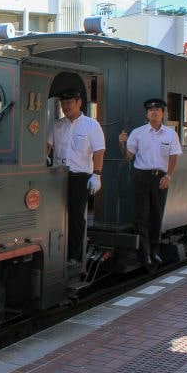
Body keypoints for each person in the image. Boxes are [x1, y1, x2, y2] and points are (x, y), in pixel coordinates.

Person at [119, 99, 182, 269]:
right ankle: (144, 254)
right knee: (142, 216)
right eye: (150, 110)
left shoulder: (170, 134)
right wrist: (122, 143)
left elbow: (174, 156)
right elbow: (129, 157)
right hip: (141, 176)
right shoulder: (138, 133)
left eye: (157, 110)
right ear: (146, 114)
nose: (153, 112)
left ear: (163, 113)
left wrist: (168, 176)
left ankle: (155, 251)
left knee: (156, 214)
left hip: (160, 176)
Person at [46, 87, 106, 269]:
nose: (66, 107)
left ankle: (75, 256)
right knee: (54, 215)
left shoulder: (91, 125)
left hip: (80, 176)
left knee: (76, 216)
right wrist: (43, 159)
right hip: (58, 175)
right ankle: (57, 252)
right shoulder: (57, 124)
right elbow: (47, 145)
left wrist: (97, 174)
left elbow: (99, 151)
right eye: (63, 104)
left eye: (69, 103)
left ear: (79, 102)